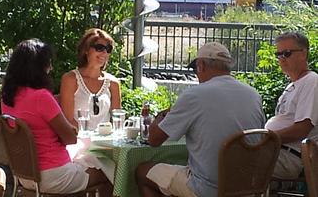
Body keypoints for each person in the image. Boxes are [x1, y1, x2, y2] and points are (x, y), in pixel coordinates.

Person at [136, 42, 266, 197]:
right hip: (248, 188)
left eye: (195, 69)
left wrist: (161, 116)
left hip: (208, 189)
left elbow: (154, 140)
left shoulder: (194, 95)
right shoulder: (253, 94)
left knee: (142, 171)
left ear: (201, 65)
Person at [1, 39, 112, 195]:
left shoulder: (7, 97)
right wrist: (72, 129)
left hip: (24, 176)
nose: (50, 68)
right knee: (110, 173)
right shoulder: (42, 97)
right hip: (54, 176)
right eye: (48, 63)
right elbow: (70, 139)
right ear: (38, 67)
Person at [265, 31, 318, 179]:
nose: (281, 59)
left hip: (291, 156)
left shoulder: (312, 82)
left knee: (232, 163)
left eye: (286, 53)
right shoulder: (293, 85)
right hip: (278, 151)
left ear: (303, 53)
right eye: (278, 54)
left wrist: (265, 138)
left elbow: (302, 129)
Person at [60, 28, 121, 131]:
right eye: (99, 48)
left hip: (106, 142)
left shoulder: (113, 83)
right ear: (86, 50)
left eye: (108, 49)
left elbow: (117, 121)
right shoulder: (70, 79)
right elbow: (68, 120)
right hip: (78, 141)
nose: (104, 53)